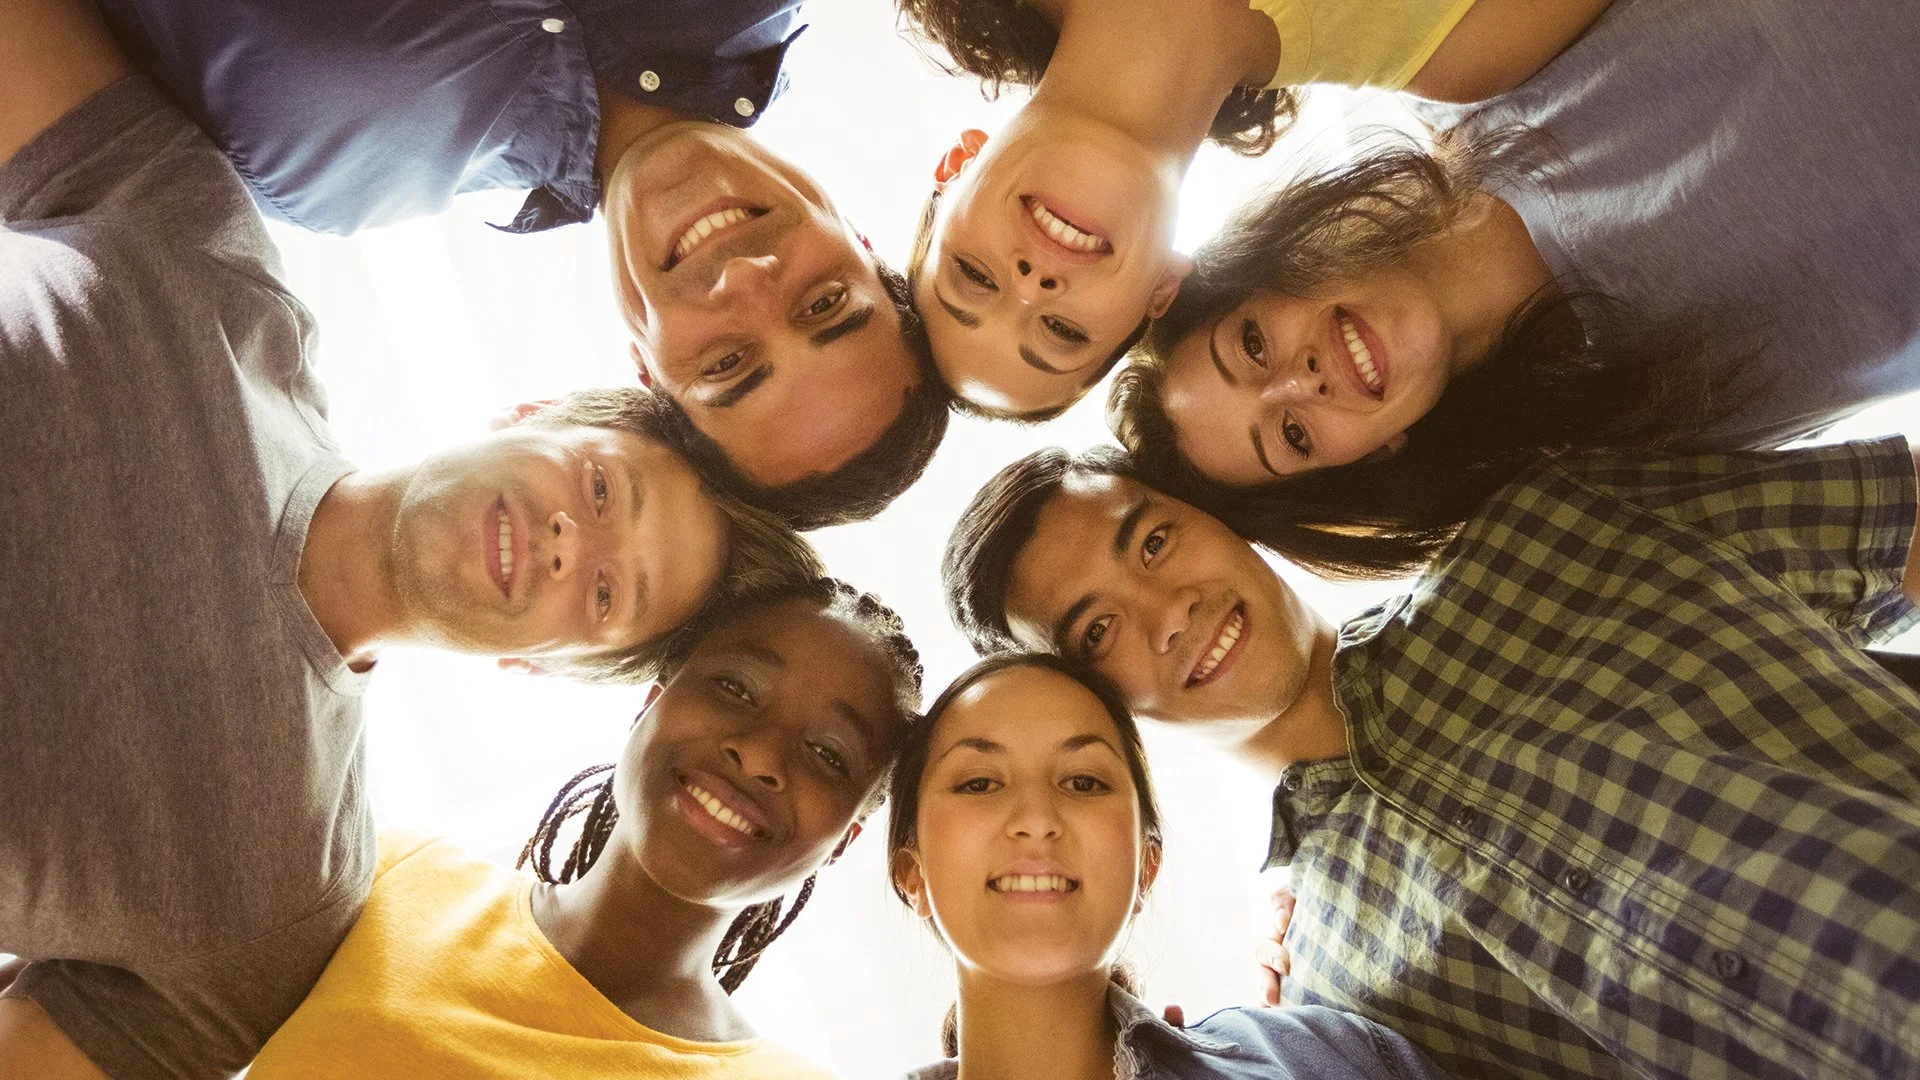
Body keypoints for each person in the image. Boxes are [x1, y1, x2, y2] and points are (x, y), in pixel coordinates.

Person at [0, 6, 819, 1074]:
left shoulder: (280, 895)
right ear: (532, 415)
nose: (578, 543)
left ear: (543, 664)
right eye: (605, 488)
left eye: (612, 596)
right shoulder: (206, 260)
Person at [940, 440, 1920, 1078]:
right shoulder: (1327, 989)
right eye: (1101, 629)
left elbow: (1898, 527)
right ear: (1097, 704)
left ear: (1214, 513)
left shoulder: (1548, 524)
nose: (1171, 609)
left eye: (1153, 541)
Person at [1109, 0, 1920, 578]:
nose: (1302, 381)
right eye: (1291, 435)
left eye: (1252, 345)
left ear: (1264, 270)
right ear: (1375, 456)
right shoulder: (1650, 439)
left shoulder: (1467, 61)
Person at [94, 0, 952, 528]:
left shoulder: (318, 171)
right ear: (866, 250)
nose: (745, 284)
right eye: (825, 302)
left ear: (646, 370)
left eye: (729, 363)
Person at [244, 577, 922, 1077]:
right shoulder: (392, 877)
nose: (762, 754)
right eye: (735, 689)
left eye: (828, 755)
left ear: (844, 841)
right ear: (652, 702)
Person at [897, 0, 1611, 421]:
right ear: (1162, 291)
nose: (1031, 283)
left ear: (956, 166)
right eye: (1058, 329)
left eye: (974, 278)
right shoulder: (1464, 54)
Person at [887, 652, 1448, 1080]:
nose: (1036, 818)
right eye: (979, 783)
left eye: (1084, 781)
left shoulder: (1325, 1058)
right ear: (912, 874)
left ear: (1145, 868)